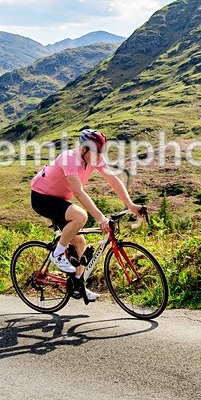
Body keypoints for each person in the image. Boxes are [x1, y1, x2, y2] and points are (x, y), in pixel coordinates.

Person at [30, 129, 143, 302]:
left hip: (60, 200)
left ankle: (78, 284)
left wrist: (131, 205)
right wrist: (100, 217)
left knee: (80, 243)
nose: (99, 157)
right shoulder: (69, 158)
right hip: (42, 197)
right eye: (96, 153)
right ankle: (57, 253)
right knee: (80, 216)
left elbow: (113, 180)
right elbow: (78, 192)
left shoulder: (94, 158)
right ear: (83, 149)